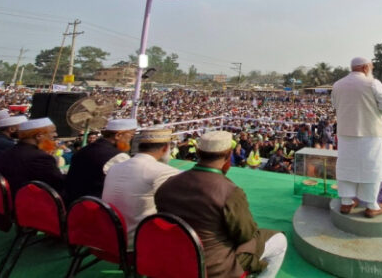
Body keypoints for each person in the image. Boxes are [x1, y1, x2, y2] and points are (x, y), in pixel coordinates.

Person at [155, 131, 287, 278]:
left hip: (173, 260)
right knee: (279, 240)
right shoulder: (230, 192)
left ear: (198, 152)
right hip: (214, 268)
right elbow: (246, 234)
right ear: (228, 156)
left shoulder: (167, 185)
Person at [331, 57, 382, 218]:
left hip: (345, 134)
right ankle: (372, 205)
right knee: (371, 167)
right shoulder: (373, 83)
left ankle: (346, 202)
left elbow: (335, 106)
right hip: (370, 134)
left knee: (346, 166)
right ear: (366, 68)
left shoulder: (337, 84)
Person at [102, 126, 180, 245]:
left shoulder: (114, 167)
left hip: (106, 235)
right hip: (137, 241)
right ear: (165, 148)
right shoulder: (164, 171)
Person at [65, 119, 136, 205]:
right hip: (95, 209)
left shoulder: (83, 150)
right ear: (118, 135)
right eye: (131, 136)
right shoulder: (118, 157)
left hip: (73, 205)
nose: (130, 140)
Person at [0, 118, 65, 198]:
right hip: (28, 203)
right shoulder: (40, 157)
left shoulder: (6, 152)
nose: (56, 135)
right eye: (53, 132)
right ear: (39, 136)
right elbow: (58, 183)